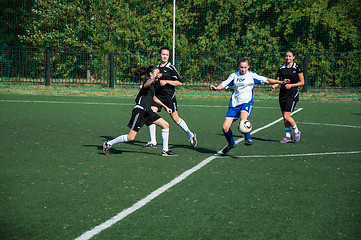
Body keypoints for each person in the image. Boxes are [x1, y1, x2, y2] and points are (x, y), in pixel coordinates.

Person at [210, 58, 289, 154]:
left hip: (246, 102)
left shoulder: (251, 76)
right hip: (235, 103)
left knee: (243, 119)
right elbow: (225, 83)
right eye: (241, 67)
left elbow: (267, 80)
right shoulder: (234, 75)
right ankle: (231, 144)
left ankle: (248, 139)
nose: (243, 69)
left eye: (245, 67)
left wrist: (280, 82)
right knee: (225, 128)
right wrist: (216, 88)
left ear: (248, 67)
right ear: (238, 67)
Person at [103, 66, 178, 156]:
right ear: (151, 74)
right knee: (130, 137)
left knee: (165, 125)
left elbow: (153, 97)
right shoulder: (148, 81)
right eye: (156, 73)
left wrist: (165, 106)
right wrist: (153, 79)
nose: (158, 74)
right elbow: (146, 85)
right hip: (140, 110)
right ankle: (108, 143)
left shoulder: (154, 84)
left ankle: (165, 150)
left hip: (148, 111)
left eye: (159, 73)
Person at [142, 47, 197, 149]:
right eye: (163, 54)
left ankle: (190, 135)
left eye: (167, 55)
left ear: (169, 56)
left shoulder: (171, 68)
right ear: (159, 55)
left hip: (168, 98)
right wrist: (145, 86)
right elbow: (152, 80)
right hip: (157, 97)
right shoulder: (156, 68)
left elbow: (179, 82)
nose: (165, 56)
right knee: (150, 114)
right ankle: (153, 141)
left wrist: (167, 81)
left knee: (175, 119)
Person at [271, 50, 304, 143]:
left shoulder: (297, 68)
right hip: (283, 94)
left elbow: (302, 82)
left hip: (292, 94)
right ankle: (287, 136)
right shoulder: (281, 68)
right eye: (286, 56)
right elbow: (278, 81)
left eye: (290, 56)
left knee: (286, 116)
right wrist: (274, 85)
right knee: (284, 117)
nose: (288, 58)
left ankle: (296, 131)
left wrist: (291, 85)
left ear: (293, 57)